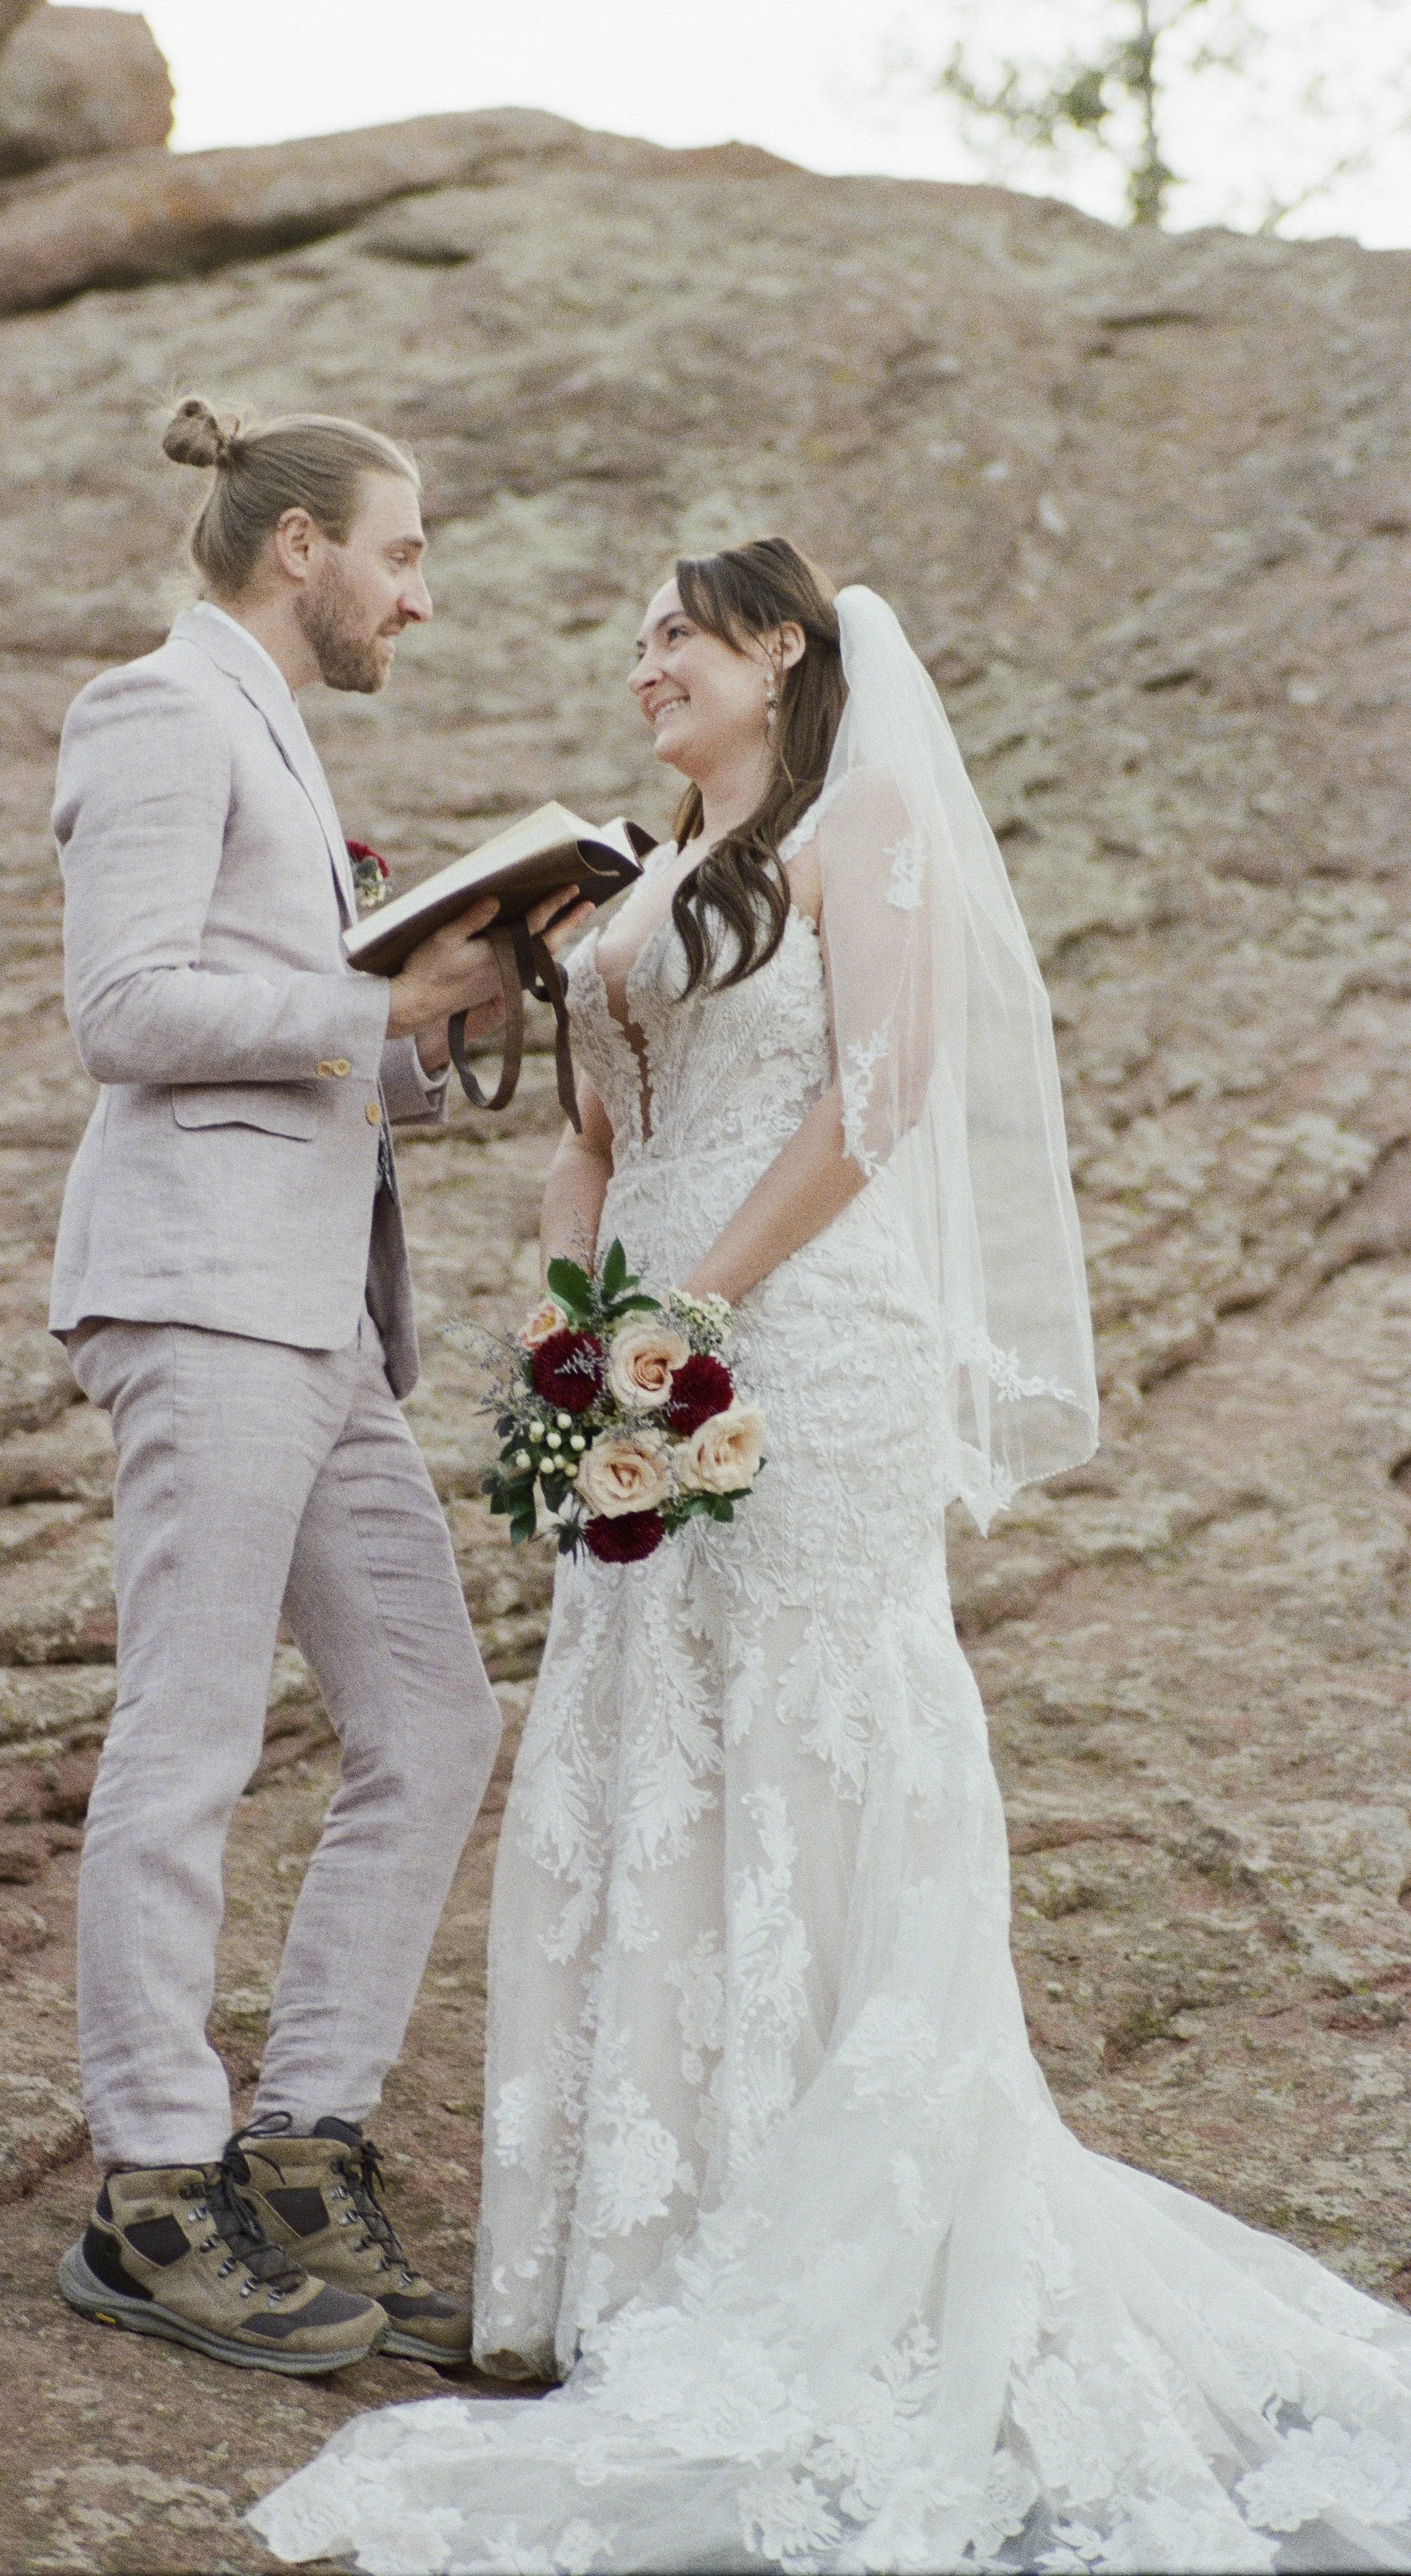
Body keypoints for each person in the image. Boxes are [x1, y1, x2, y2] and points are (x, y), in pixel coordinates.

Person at [251, 545, 1411, 2564]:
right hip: (645, 1343)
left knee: (806, 1730)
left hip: (809, 1333)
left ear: (780, 647)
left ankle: (838, 2229)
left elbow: (875, 1099)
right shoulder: (616, 894)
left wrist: (684, 1312)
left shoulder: (858, 828)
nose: (645, 666)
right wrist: (565, 1322)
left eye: (676, 636)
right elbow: (589, 1136)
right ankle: (638, 2255)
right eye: (628, 641)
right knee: (642, 1740)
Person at [49, 397, 588, 2379]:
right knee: (185, 1736)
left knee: (435, 1722)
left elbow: (314, 1033)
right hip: (198, 1292)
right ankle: (151, 2192)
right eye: (403, 553)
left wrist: (455, 1000)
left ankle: (300, 2145)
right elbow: (122, 1009)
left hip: (319, 1312)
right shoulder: (156, 710)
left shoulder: (273, 730)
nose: (416, 599)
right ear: (297, 549)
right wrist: (379, 1003)